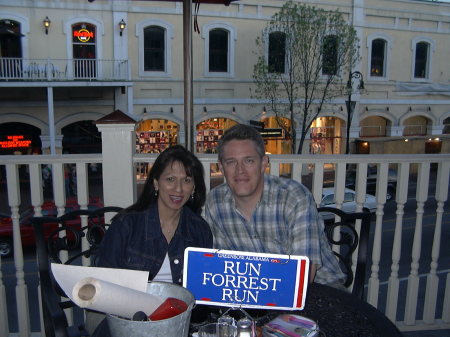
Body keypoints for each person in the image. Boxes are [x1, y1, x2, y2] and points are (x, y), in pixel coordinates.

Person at [205, 124, 345, 287]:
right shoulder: (215, 202)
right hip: (255, 293)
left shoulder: (293, 197)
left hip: (321, 289)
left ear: (264, 163)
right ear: (221, 167)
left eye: (248, 161)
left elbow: (304, 276)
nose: (240, 170)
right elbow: (224, 265)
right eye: (231, 162)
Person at [96, 145, 213, 284]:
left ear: (193, 188)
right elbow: (103, 284)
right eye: (170, 179)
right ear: (156, 183)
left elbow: (201, 287)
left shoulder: (200, 230)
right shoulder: (126, 226)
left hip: (181, 305)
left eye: (186, 180)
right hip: (132, 304)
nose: (178, 188)